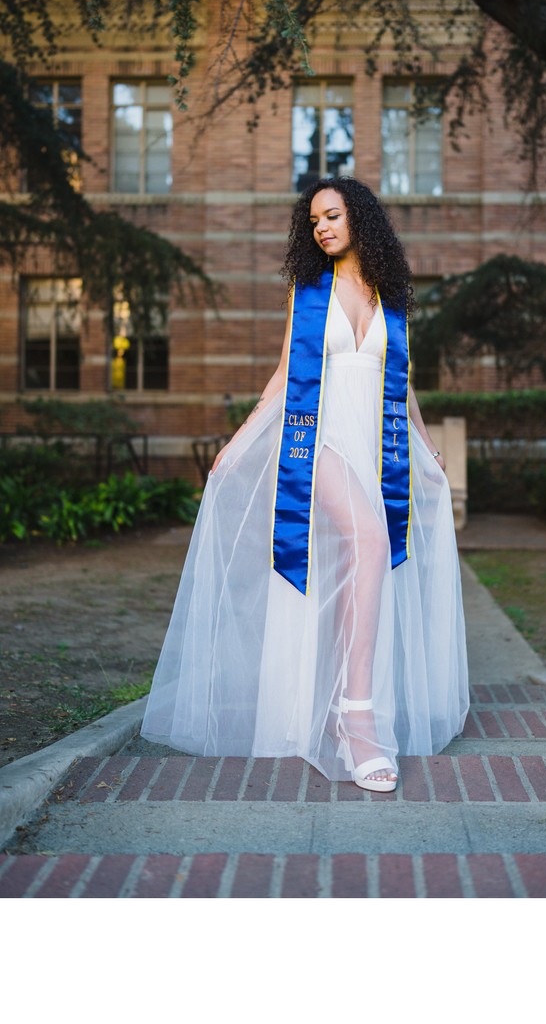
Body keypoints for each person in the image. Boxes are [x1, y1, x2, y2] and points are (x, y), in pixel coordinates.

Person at [141, 177, 469, 792]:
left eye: (333, 215)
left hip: (374, 446)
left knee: (360, 562)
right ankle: (358, 718)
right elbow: (287, 369)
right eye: (314, 220)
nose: (321, 227)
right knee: (370, 542)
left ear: (359, 219)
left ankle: (343, 697)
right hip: (317, 441)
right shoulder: (308, 290)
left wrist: (425, 445)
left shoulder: (390, 295)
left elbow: (401, 380)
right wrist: (239, 440)